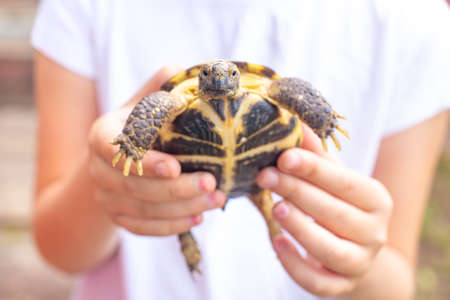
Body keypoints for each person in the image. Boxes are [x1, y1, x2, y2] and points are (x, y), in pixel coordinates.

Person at [31, 0, 450, 299]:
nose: (218, 77)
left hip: (264, 177)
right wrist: (108, 173)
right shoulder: (88, 10)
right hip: (173, 199)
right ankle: (188, 245)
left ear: (236, 78)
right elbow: (57, 246)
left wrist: (358, 261)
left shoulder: (416, 21)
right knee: (179, 208)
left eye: (225, 74)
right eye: (213, 74)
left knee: (267, 207)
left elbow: (396, 282)